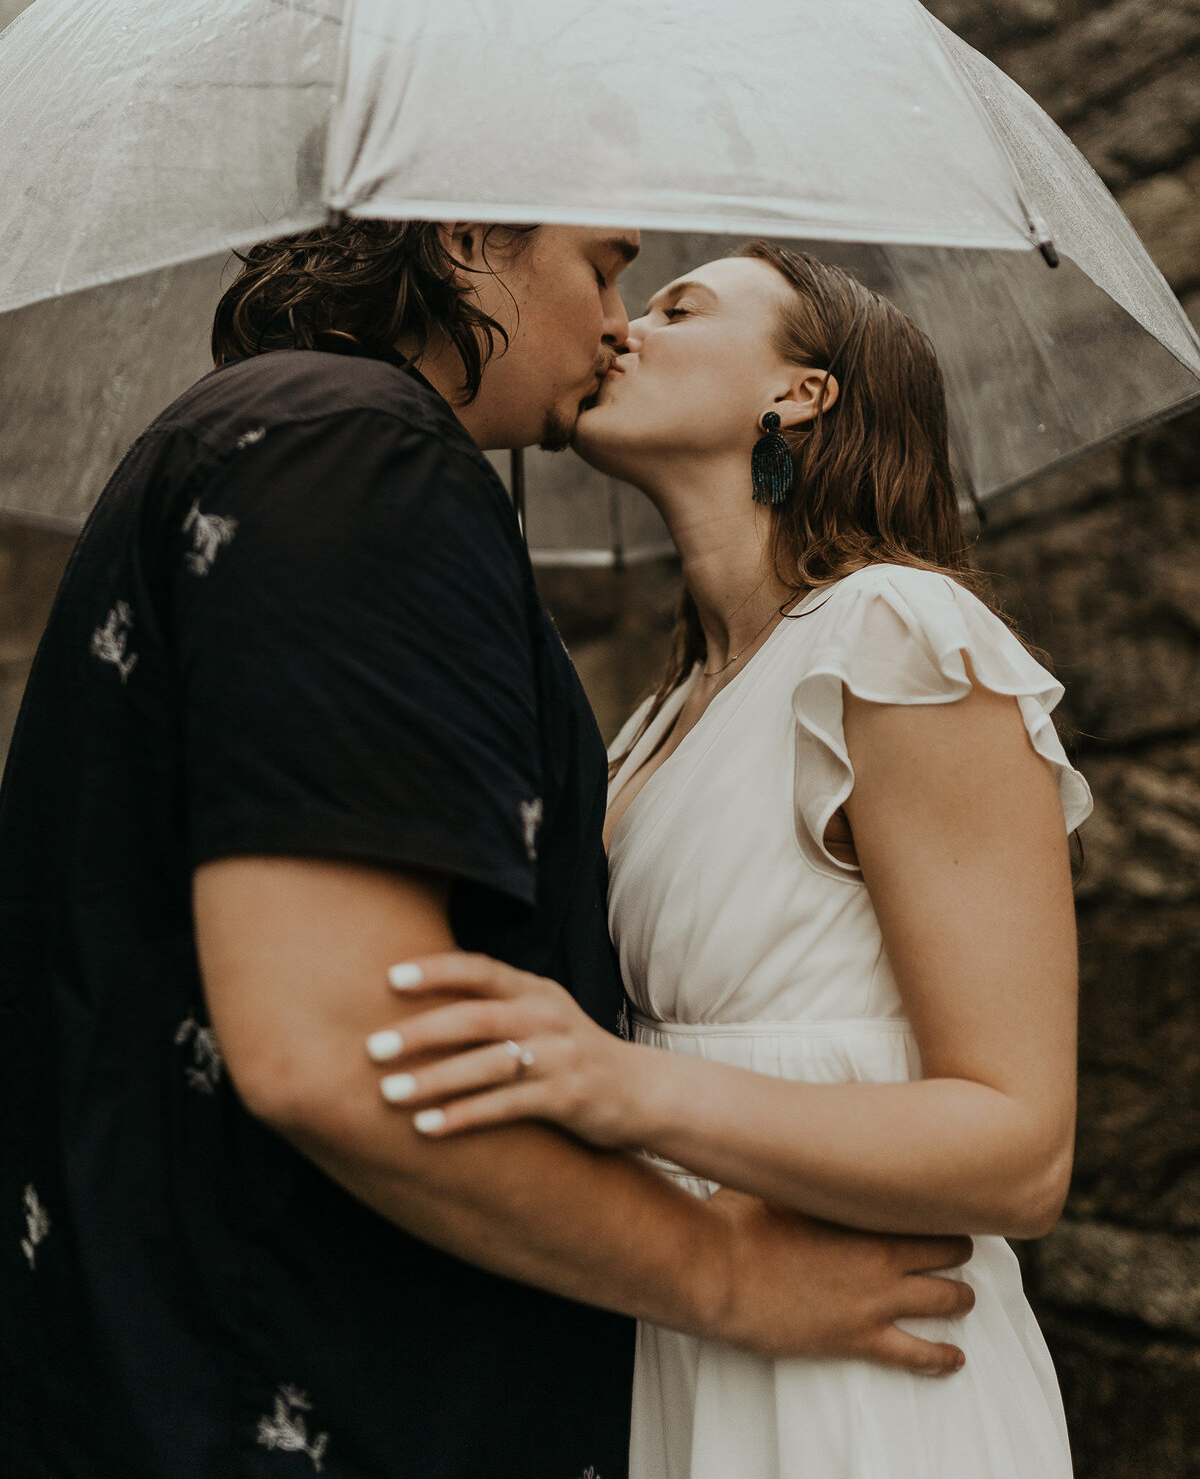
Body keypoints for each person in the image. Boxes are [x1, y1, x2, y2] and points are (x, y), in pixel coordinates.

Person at [0, 221, 974, 1479]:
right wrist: (719, 1269)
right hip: (296, 1394)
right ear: (467, 240)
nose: (619, 323)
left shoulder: (294, 443)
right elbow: (330, 1048)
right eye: (607, 268)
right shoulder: (359, 452)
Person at [362, 242, 1090, 1479]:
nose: (620, 330)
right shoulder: (661, 715)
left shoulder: (897, 635)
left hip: (867, 1374)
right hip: (686, 1335)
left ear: (798, 395)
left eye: (676, 308)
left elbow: (1020, 1150)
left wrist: (624, 1087)